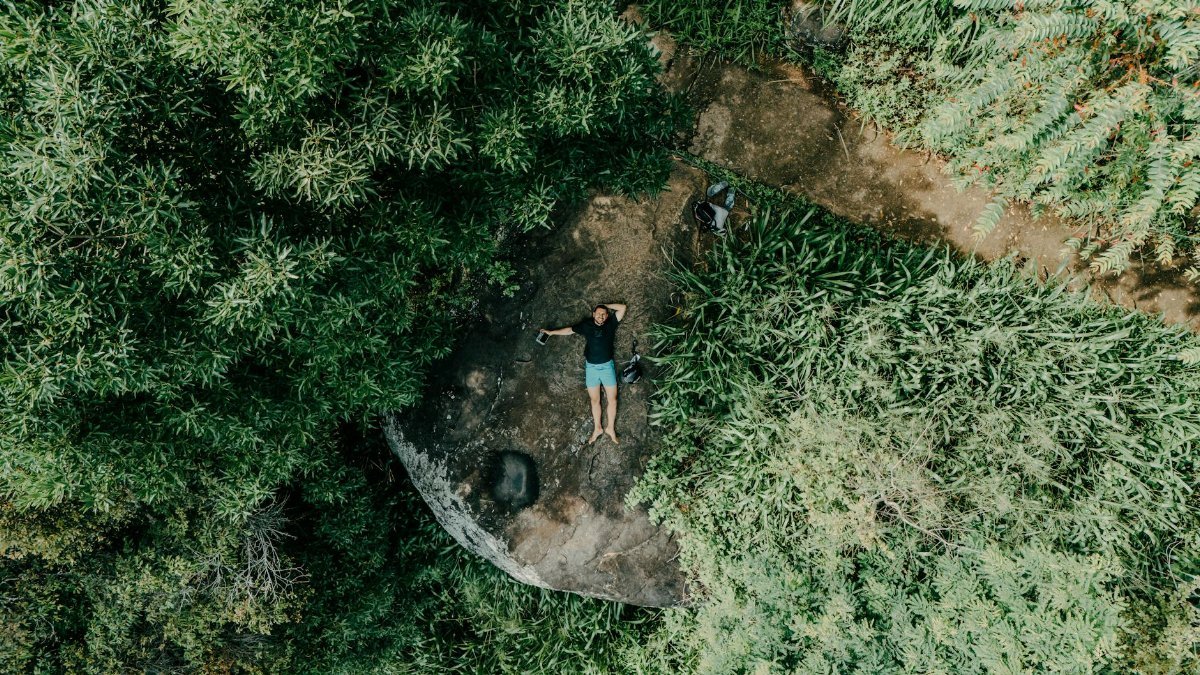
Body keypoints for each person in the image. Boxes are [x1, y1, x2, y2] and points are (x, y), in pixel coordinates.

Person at [540, 303, 627, 444]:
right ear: (593, 314)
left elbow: (622, 307)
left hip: (607, 367)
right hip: (591, 368)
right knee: (594, 400)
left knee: (613, 399)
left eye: (604, 314)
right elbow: (569, 330)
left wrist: (606, 305)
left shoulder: (611, 324)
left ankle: (610, 428)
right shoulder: (586, 326)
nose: (601, 316)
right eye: (598, 314)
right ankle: (597, 428)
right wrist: (551, 332)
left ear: (607, 316)